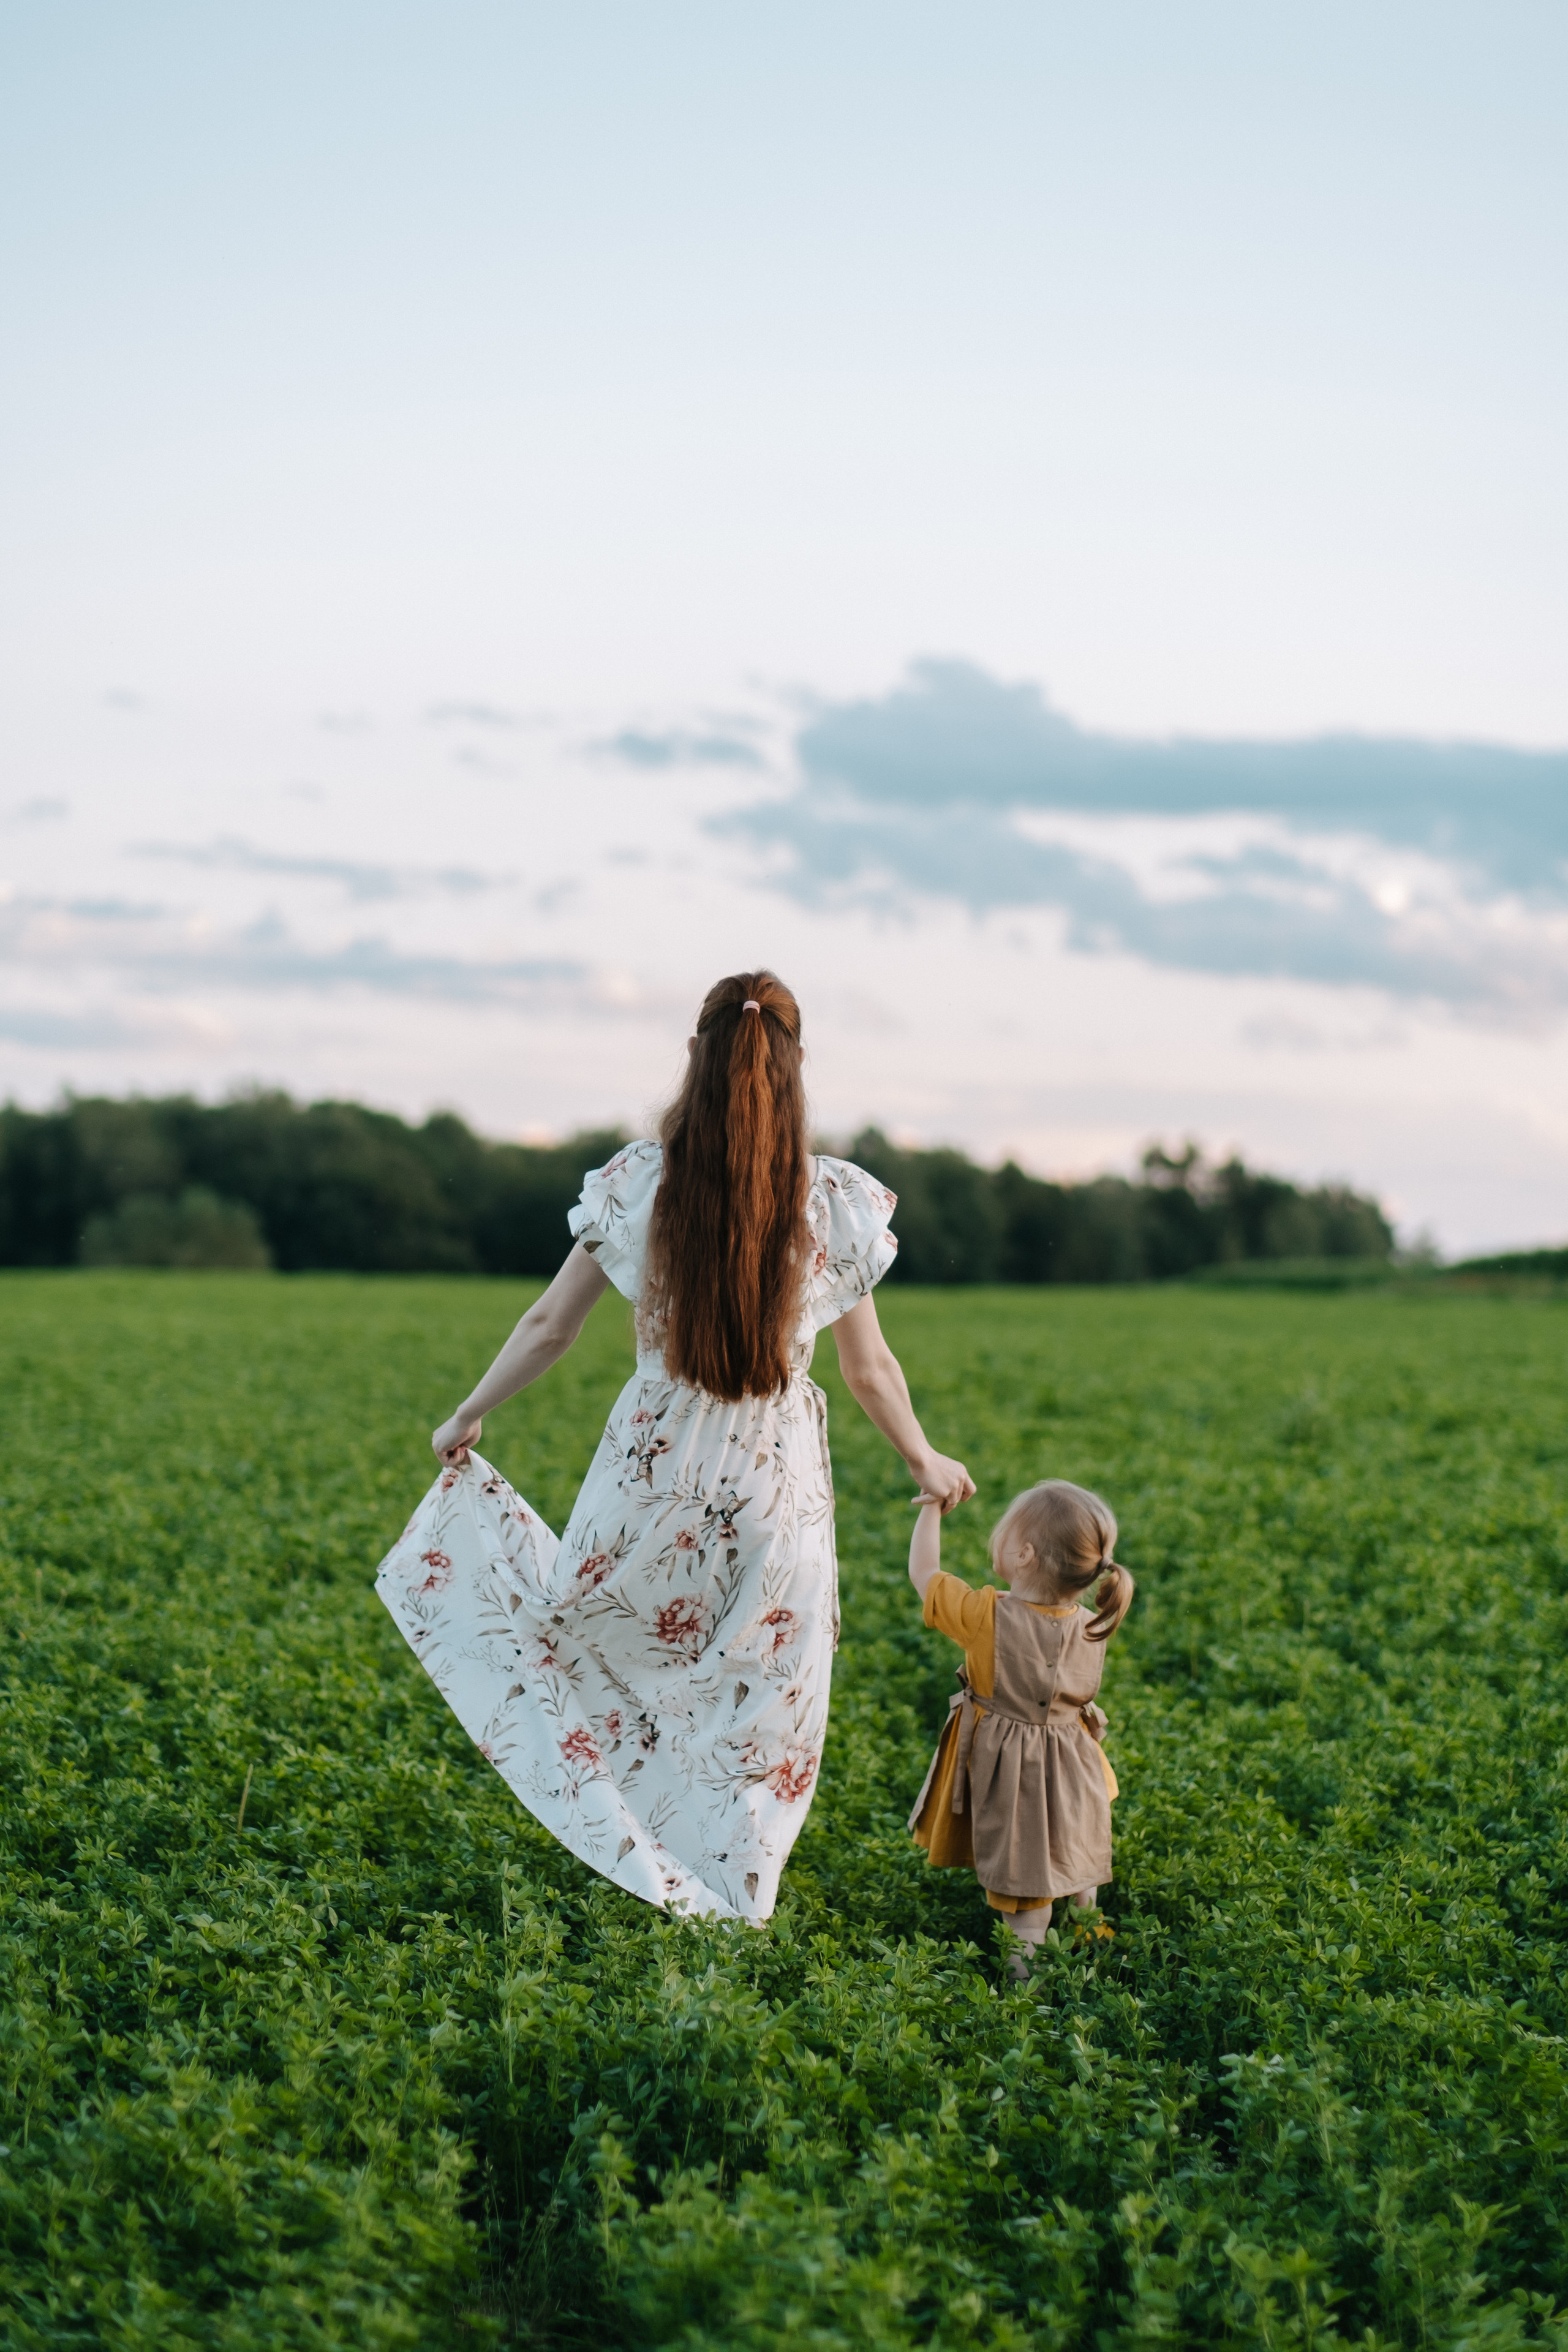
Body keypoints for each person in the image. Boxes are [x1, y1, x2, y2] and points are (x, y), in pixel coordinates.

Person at [375, 970, 974, 1923]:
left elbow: (548, 1328)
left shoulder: (639, 1184)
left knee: (592, 1647)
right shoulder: (830, 1205)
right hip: (776, 1482)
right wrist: (924, 1459)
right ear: (799, 1066)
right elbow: (871, 1372)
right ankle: (735, 1897)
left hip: (655, 1474)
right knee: (762, 1707)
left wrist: (467, 1414)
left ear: (694, 1057)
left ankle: (646, 1860)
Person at [907, 1478, 1134, 1978]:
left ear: (1025, 1554)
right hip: (1077, 1767)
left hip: (1018, 1774)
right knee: (1074, 1843)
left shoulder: (986, 1616)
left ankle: (1022, 2004)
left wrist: (930, 1511)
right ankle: (1088, 1925)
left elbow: (925, 1574)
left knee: (1027, 1896)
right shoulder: (1093, 1623)